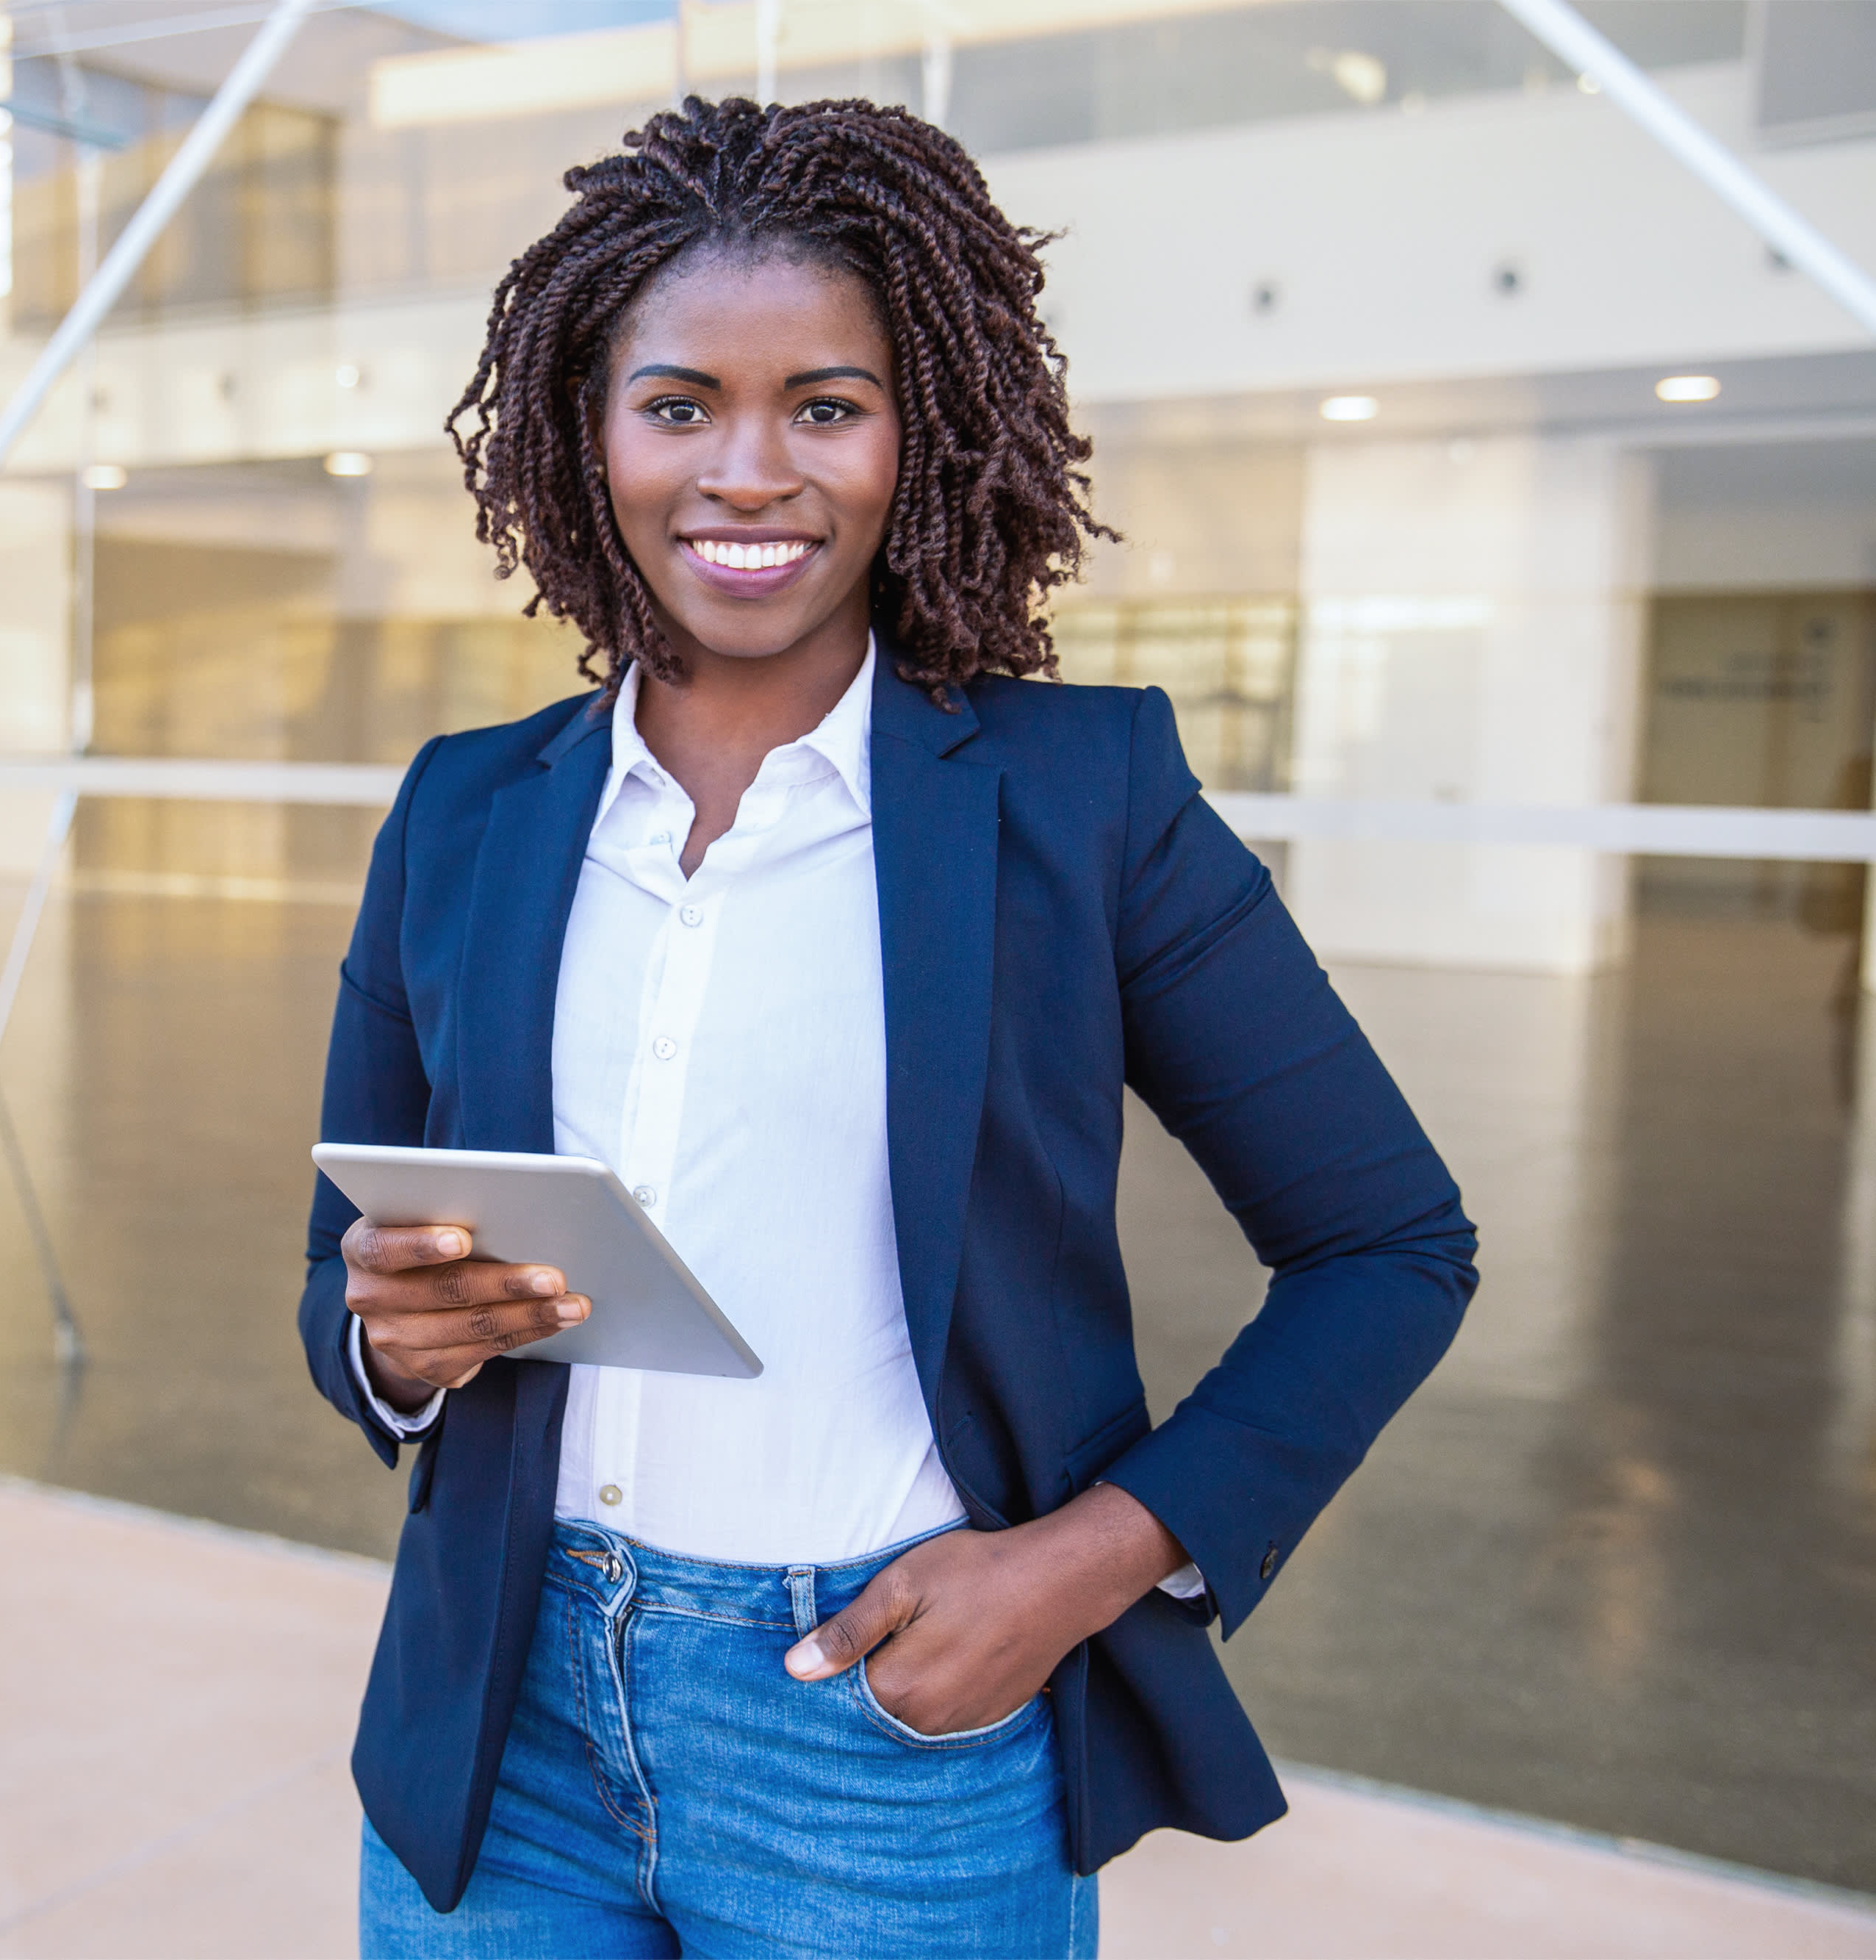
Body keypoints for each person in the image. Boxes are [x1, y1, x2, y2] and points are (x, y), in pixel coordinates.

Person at [297, 96, 1476, 1959]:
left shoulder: (1081, 800)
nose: (747, 471)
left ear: (915, 434)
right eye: (676, 403)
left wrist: (1078, 1567)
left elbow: (1386, 1242)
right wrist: (395, 1345)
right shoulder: (466, 808)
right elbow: (342, 1285)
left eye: (824, 407)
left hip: (883, 1729)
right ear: (583, 430)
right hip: (498, 1712)